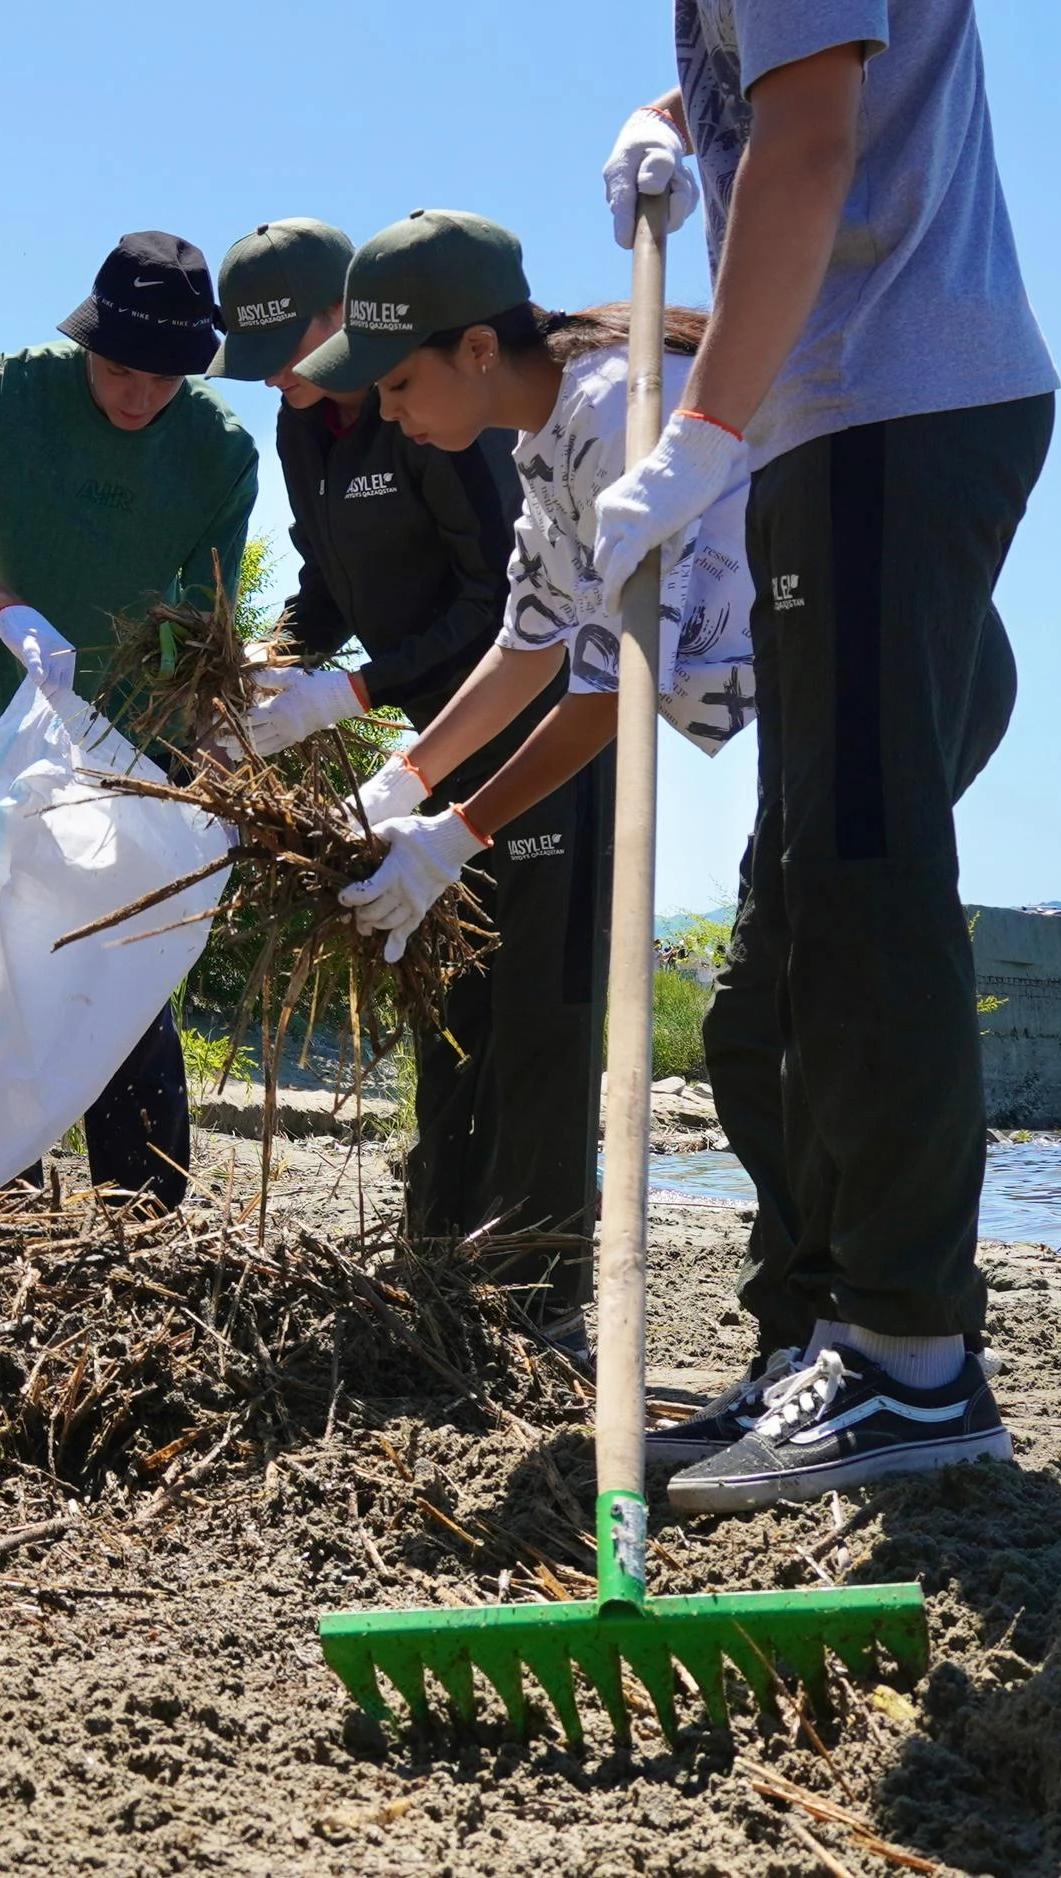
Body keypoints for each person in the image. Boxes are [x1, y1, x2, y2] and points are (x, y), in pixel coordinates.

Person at [505, 0, 1056, 1511]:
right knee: (823, 885)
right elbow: (765, 105)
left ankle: (913, 1357)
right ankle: (840, 1336)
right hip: (849, 416)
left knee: (866, 874)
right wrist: (677, 117)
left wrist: (698, 442)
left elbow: (815, 157)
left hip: (893, 401)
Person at [291, 216, 743, 1321]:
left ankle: (853, 1350)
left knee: (780, 1015)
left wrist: (454, 835)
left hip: (864, 668)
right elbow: (526, 639)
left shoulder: (613, 416)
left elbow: (605, 694)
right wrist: (396, 785)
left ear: (478, 351)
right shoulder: (545, 441)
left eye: (398, 382)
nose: (387, 413)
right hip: (785, 706)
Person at [219, 221, 614, 1304]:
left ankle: (541, 1278)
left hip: (539, 736)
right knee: (442, 1000)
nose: (280, 391)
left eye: (289, 364)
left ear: (340, 318)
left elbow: (512, 617)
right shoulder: (308, 431)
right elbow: (330, 588)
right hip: (428, 740)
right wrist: (274, 662)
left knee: (539, 1004)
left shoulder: (471, 417)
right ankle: (437, 1253)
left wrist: (347, 693)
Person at [0, 233, 256, 1204]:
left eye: (164, 377)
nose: (137, 394)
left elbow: (204, 639)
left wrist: (215, 776)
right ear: (84, 342)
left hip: (124, 768)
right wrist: (0, 605)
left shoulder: (219, 453)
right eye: (117, 368)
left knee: (118, 999)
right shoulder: (20, 392)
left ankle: (138, 1234)